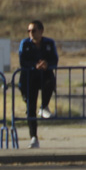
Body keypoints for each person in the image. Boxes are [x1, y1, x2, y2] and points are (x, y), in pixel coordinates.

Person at [17, 19, 58, 149]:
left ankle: (44, 105)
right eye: (29, 31)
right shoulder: (25, 43)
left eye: (33, 30)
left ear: (41, 31)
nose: (31, 33)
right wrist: (35, 65)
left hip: (44, 75)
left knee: (50, 81)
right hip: (30, 77)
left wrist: (47, 64)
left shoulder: (49, 43)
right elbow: (22, 60)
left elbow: (54, 59)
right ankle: (33, 137)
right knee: (31, 108)